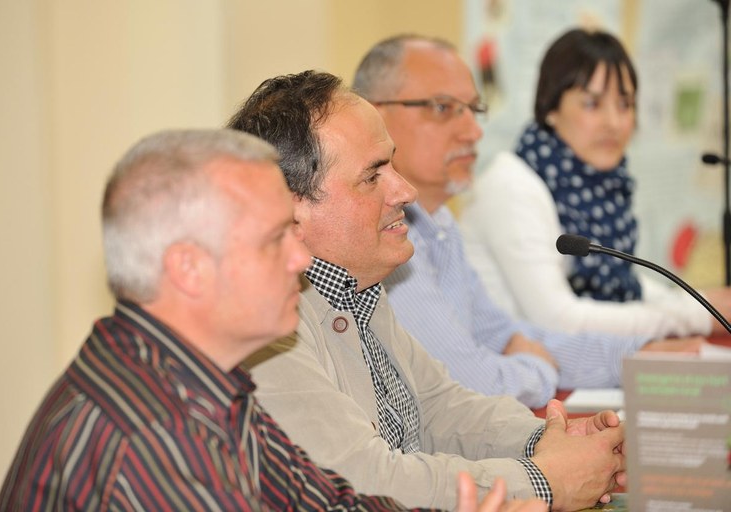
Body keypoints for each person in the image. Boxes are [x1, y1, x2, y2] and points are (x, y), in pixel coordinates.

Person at [0, 128, 530, 511]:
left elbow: (333, 501)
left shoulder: (203, 384)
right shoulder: (153, 434)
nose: (301, 260)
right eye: (276, 239)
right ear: (189, 268)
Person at [229, 70, 625, 511]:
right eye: (373, 176)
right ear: (292, 208)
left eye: (392, 165)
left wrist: (555, 440)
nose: (406, 191)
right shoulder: (262, 321)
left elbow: (439, 408)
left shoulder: (357, 287)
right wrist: (545, 480)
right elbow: (365, 479)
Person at [351, 34, 703, 410]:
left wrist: (634, 355)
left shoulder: (438, 222)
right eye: (443, 108)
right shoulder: (379, 235)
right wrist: (538, 367)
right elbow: (472, 384)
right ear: (375, 116)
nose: (474, 132)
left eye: (474, 109)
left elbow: (503, 333)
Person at [458, 28, 731, 339]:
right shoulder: (510, 186)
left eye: (625, 104)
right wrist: (695, 315)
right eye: (592, 103)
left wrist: (703, 303)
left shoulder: (602, 189)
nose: (614, 123)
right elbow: (561, 320)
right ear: (550, 109)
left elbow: (623, 283)